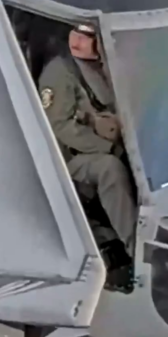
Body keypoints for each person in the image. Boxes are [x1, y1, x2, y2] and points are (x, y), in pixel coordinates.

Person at [39, 22, 137, 283]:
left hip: (117, 141)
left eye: (87, 37)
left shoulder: (111, 65)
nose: (77, 41)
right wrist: (108, 148)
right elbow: (59, 126)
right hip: (72, 157)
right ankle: (137, 249)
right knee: (110, 170)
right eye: (75, 33)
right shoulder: (60, 71)